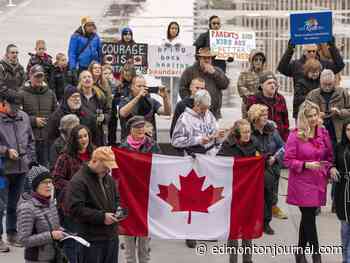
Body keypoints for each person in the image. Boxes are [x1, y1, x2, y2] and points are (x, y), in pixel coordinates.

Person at [284, 101, 333, 263]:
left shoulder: (323, 132)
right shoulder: (295, 135)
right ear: (303, 117)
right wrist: (305, 164)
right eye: (309, 116)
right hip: (301, 182)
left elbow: (329, 156)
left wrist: (328, 169)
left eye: (315, 115)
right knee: (309, 217)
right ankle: (316, 255)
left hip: (318, 181)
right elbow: (288, 160)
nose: (313, 119)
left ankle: (299, 253)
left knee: (308, 217)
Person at [65, 146, 120, 263]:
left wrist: (118, 210)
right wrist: (102, 217)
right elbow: (75, 209)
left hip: (111, 237)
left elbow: (116, 199)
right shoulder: (78, 181)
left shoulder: (108, 179)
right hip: (91, 240)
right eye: (105, 166)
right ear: (94, 161)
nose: (107, 170)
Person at [217, 119, 260, 263]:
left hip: (249, 190)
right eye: (244, 132)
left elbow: (262, 158)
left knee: (248, 225)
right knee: (234, 227)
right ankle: (233, 259)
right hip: (234, 191)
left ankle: (248, 259)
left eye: (249, 132)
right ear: (237, 133)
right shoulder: (227, 145)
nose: (248, 135)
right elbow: (220, 163)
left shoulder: (254, 143)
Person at [119, 116, 160, 263]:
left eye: (143, 132)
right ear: (131, 131)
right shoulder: (123, 147)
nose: (141, 136)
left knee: (144, 235)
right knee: (129, 234)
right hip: (129, 196)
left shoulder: (152, 145)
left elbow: (160, 166)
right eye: (138, 132)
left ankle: (145, 260)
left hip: (146, 196)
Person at [0, 91, 36, 250]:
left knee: (15, 204)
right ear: (4, 103)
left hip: (21, 169)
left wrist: (28, 159)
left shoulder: (24, 117)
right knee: (0, 205)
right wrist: (6, 151)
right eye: (12, 106)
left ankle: (12, 233)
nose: (15, 110)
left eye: (17, 107)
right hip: (2, 170)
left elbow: (30, 140)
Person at [52, 125, 93, 263]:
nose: (83, 139)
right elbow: (56, 179)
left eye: (85, 135)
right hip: (71, 206)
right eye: (79, 137)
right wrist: (75, 187)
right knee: (73, 242)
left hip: (91, 206)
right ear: (73, 139)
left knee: (88, 242)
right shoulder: (65, 157)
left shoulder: (95, 153)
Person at [247, 104, 286, 233]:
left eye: (266, 115)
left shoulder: (272, 130)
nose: (265, 118)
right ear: (255, 117)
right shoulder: (248, 131)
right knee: (254, 197)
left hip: (270, 168)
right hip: (253, 170)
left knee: (269, 197)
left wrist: (275, 157)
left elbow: (283, 147)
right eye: (262, 115)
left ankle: (266, 222)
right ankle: (253, 221)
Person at [17, 167, 64, 263]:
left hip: (54, 256)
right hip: (37, 259)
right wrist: (51, 235)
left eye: (50, 182)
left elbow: (53, 227)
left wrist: (63, 231)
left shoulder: (50, 202)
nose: (49, 185)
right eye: (44, 182)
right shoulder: (27, 208)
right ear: (35, 185)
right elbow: (23, 240)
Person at [18, 65, 58, 167]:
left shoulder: (50, 93)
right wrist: (33, 121)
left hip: (46, 139)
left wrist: (49, 122)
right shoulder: (21, 94)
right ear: (30, 76)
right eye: (36, 76)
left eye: (41, 76)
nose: (39, 79)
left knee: (46, 169)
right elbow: (18, 116)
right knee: (30, 170)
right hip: (29, 141)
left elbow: (56, 114)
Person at [277, 38, 344, 92]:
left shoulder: (324, 64)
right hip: (301, 102)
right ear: (304, 52)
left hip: (320, 102)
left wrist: (332, 47)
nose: (312, 53)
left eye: (314, 51)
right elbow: (282, 68)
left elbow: (339, 66)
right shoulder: (296, 65)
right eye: (309, 51)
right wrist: (290, 50)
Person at [179, 47, 229, 119]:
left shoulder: (217, 70)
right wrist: (190, 103)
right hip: (195, 110)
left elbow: (225, 85)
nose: (207, 60)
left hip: (213, 112)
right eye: (204, 58)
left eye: (209, 58)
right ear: (199, 59)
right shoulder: (190, 71)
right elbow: (182, 88)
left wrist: (214, 73)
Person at [172, 89, 225, 156]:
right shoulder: (185, 118)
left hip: (211, 157)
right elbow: (175, 141)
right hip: (193, 157)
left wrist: (219, 136)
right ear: (196, 104)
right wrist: (198, 140)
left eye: (207, 108)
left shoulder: (209, 114)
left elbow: (215, 135)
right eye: (203, 108)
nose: (205, 111)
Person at [119, 75, 171, 141]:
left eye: (144, 86)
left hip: (148, 143)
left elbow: (167, 112)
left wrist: (165, 98)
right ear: (132, 87)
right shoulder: (125, 100)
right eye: (139, 86)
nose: (142, 88)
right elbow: (123, 113)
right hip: (129, 143)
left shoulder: (151, 101)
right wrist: (138, 97)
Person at [306, 69, 350, 147]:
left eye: (330, 84)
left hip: (338, 133)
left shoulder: (342, 92)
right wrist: (317, 115)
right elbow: (304, 112)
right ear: (320, 81)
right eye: (324, 84)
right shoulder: (312, 95)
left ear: (334, 82)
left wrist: (340, 112)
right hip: (318, 133)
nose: (327, 87)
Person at [245, 71, 289, 142]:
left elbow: (286, 123)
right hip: (260, 138)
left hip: (279, 138)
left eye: (274, 83)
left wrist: (285, 140)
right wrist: (267, 123)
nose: (272, 85)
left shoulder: (281, 98)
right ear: (261, 86)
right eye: (269, 83)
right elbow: (249, 121)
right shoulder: (253, 99)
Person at [332, 120, 350, 263]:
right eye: (349, 129)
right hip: (343, 190)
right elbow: (332, 163)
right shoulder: (339, 146)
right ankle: (345, 258)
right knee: (345, 227)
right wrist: (332, 168)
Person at [78, 70, 110, 146]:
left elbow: (108, 112)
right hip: (81, 134)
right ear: (80, 81)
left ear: (92, 80)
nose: (87, 79)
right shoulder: (76, 96)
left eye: (89, 77)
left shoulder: (100, 96)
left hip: (97, 134)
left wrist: (104, 117)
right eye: (84, 77)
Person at [237, 50, 266, 116]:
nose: (258, 62)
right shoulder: (245, 74)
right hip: (249, 105)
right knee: (248, 124)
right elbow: (240, 87)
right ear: (251, 61)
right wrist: (252, 97)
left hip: (264, 105)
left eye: (260, 60)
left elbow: (273, 86)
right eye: (256, 60)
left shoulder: (267, 74)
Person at [161, 21, 182, 110]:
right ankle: (167, 109)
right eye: (172, 28)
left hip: (177, 71)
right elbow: (157, 54)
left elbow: (185, 56)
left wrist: (180, 47)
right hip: (165, 70)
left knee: (175, 91)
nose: (174, 30)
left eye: (176, 28)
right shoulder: (163, 41)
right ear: (169, 29)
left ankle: (173, 109)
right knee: (166, 90)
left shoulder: (181, 41)